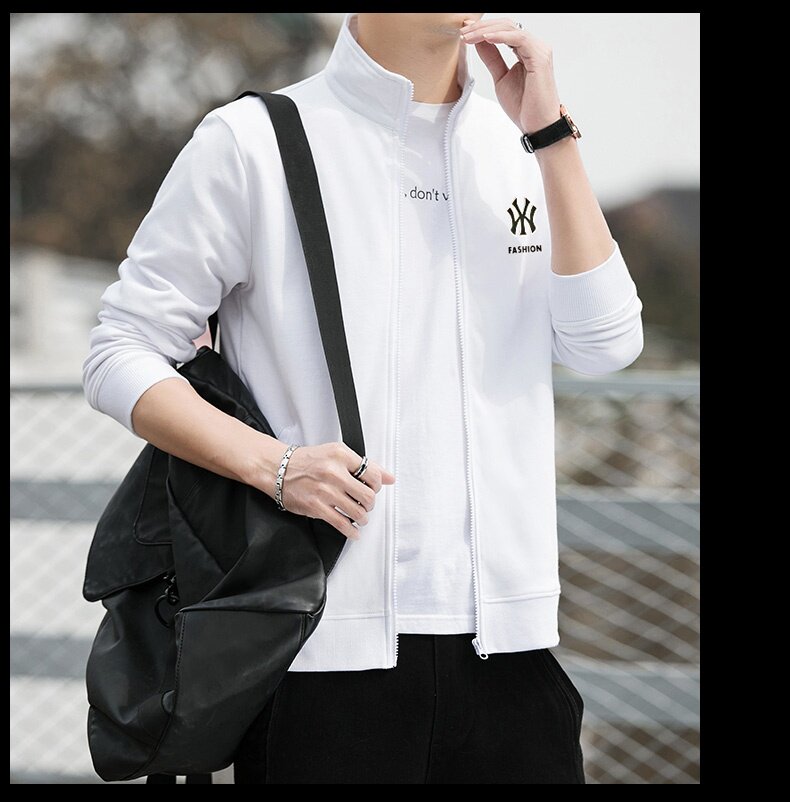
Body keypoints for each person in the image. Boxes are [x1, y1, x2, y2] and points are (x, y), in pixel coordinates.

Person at [83, 12, 643, 784]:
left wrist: (550, 135)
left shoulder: (520, 146)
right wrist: (274, 465)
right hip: (321, 656)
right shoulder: (254, 141)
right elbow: (120, 350)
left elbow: (605, 343)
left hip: (513, 656)